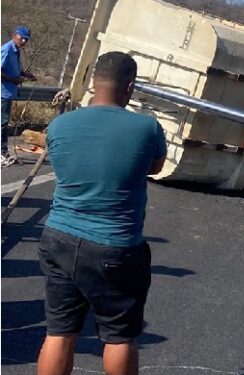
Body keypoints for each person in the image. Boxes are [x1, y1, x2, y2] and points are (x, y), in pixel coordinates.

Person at [37, 51, 166, 375]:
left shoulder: (59, 125)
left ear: (93, 82)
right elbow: (155, 167)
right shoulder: (147, 128)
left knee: (59, 332)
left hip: (58, 238)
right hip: (114, 246)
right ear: (130, 86)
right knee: (119, 337)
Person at [1, 26, 36, 165]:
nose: (23, 41)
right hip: (2, 92)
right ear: (14, 35)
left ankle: (3, 151)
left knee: (3, 122)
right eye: (21, 38)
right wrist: (15, 80)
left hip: (9, 92)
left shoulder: (16, 51)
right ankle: (1, 152)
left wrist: (25, 74)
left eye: (25, 39)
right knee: (2, 123)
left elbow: (14, 70)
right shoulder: (7, 50)